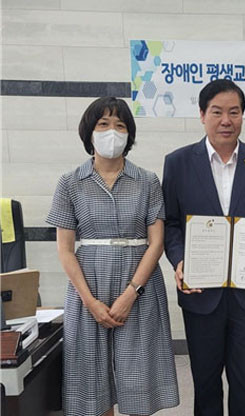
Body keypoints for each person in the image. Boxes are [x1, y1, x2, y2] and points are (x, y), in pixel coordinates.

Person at [47, 97, 179, 416]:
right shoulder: (70, 182)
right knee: (93, 378)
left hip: (140, 285)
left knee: (140, 369)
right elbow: (65, 249)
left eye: (120, 126)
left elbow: (156, 243)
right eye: (103, 124)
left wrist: (131, 293)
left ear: (129, 134)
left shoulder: (147, 181)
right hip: (88, 287)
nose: (112, 132)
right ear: (89, 132)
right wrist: (90, 301)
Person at [162, 79, 245, 416]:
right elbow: (171, 222)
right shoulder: (178, 162)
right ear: (202, 115)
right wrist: (179, 260)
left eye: (234, 112)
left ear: (243, 115)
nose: (226, 120)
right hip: (200, 291)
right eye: (217, 112)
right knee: (205, 381)